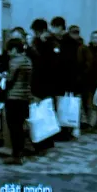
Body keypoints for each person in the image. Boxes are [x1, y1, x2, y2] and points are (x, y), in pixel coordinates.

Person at [28, 19, 57, 152]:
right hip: (48, 83)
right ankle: (48, 140)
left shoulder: (43, 44)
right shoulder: (52, 42)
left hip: (40, 83)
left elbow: (39, 62)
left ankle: (42, 141)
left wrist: (31, 47)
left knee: (39, 113)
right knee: (46, 112)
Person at [3, 36, 33, 165]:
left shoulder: (15, 61)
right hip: (25, 97)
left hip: (14, 97)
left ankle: (16, 155)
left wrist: (4, 76)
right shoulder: (28, 60)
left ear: (14, 49)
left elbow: (10, 79)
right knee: (20, 126)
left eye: (9, 50)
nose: (8, 53)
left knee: (13, 127)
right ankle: (20, 152)